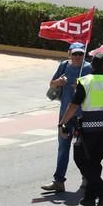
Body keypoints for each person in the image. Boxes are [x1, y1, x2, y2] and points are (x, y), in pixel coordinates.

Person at [58, 53, 103, 206]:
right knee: (95, 162)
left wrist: (62, 123)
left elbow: (73, 106)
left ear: (92, 65)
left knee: (81, 159)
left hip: (89, 129)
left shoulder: (85, 81)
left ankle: (102, 189)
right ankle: (90, 197)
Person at [41, 43, 92, 193]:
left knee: (84, 150)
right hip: (65, 116)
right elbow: (52, 84)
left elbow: (96, 88)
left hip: (83, 116)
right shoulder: (64, 65)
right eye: (75, 54)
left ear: (84, 55)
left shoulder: (89, 68)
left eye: (80, 54)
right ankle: (59, 181)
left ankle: (87, 178)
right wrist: (58, 83)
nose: (77, 57)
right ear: (69, 54)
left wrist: (82, 88)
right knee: (63, 148)